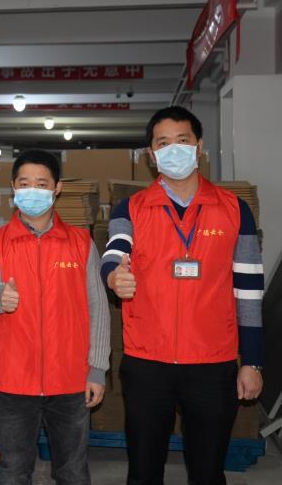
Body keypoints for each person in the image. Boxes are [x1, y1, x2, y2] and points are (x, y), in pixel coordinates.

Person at [101, 106, 264, 485]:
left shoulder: (234, 210)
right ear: (151, 154)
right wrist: (113, 276)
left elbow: (249, 291)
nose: (173, 149)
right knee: (143, 472)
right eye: (163, 143)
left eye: (182, 140)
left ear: (199, 146)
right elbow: (114, 251)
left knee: (207, 472)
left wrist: (253, 362)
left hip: (212, 363)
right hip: (147, 362)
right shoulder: (131, 208)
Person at [0, 150, 110, 485]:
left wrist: (97, 368)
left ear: (57, 188)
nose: (32, 190)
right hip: (12, 381)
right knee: (14, 471)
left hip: (71, 380)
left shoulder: (81, 243)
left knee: (73, 471)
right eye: (24, 183)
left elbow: (98, 306)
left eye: (41, 183)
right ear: (13, 187)